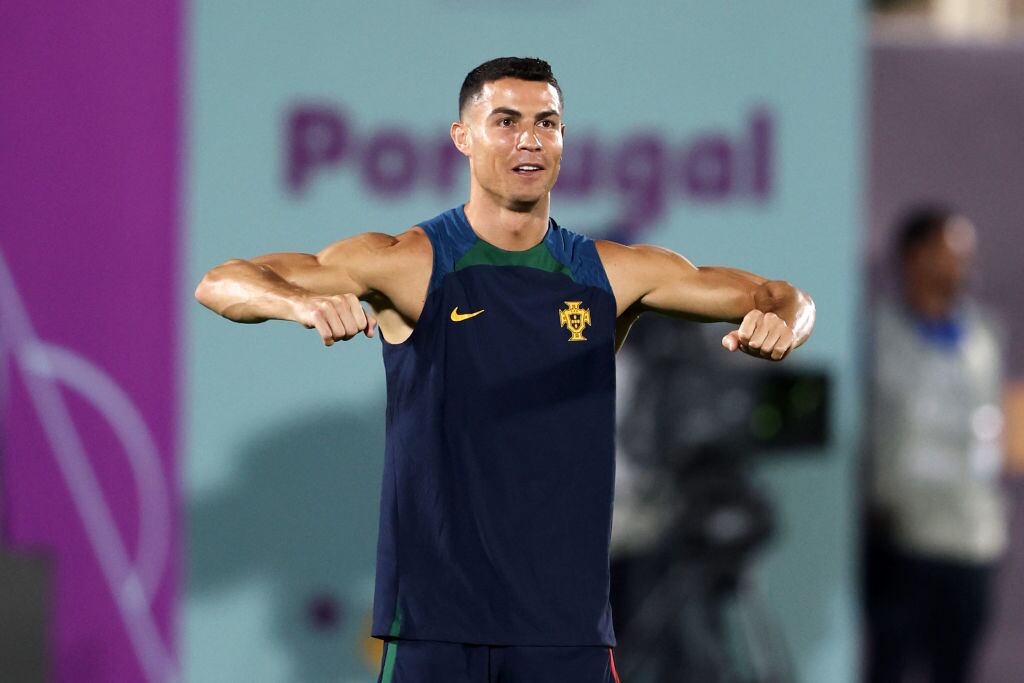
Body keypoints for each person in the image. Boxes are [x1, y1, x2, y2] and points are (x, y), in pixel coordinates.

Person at [195, 57, 816, 683]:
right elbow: (223, 283)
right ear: (463, 137)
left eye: (547, 123)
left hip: (563, 632)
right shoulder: (410, 263)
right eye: (506, 121)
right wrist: (299, 303)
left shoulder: (610, 273)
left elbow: (778, 295)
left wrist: (786, 324)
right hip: (437, 627)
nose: (529, 139)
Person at [863, 207, 1007, 683]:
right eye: (950, 250)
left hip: (972, 540)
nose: (963, 263)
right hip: (903, 541)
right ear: (914, 256)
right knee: (891, 665)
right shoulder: (874, 335)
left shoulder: (986, 335)